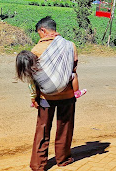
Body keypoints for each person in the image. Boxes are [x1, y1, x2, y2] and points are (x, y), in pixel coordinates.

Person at [24, 16, 78, 170]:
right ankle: (63, 159)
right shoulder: (70, 46)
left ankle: (38, 164)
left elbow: (32, 79)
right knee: (65, 128)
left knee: (42, 129)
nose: (39, 37)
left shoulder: (36, 50)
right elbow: (73, 70)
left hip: (45, 97)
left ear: (43, 30)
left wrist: (33, 97)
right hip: (67, 95)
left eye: (39, 33)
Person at [16, 50, 87, 106]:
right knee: (74, 74)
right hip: (61, 87)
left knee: (35, 84)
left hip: (46, 93)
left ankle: (37, 99)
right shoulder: (42, 64)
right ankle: (76, 92)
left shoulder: (31, 75)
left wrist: (33, 100)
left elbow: (32, 90)